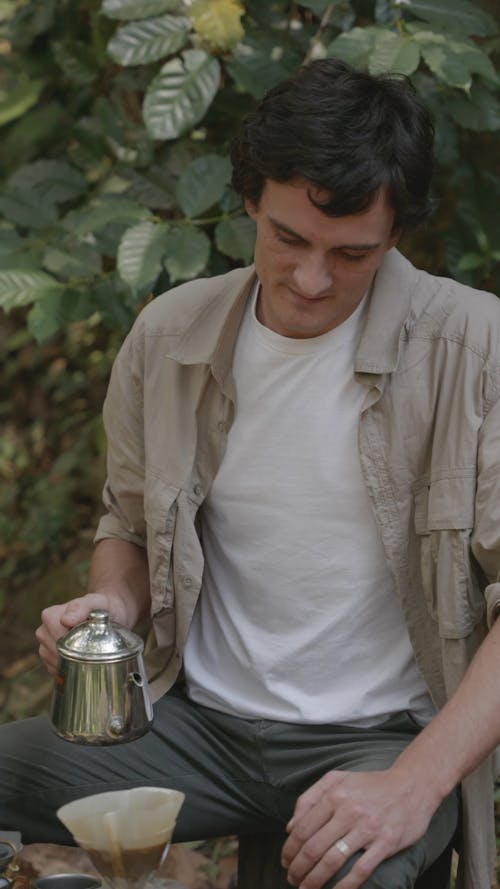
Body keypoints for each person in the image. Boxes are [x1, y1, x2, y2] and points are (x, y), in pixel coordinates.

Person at [0, 58, 499, 889]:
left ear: (398, 231)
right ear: (249, 201)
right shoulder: (168, 337)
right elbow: (125, 523)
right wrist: (109, 607)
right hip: (192, 724)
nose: (311, 280)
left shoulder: (476, 350)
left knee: (357, 870)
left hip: (381, 737)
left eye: (352, 254)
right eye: (288, 238)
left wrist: (412, 784)